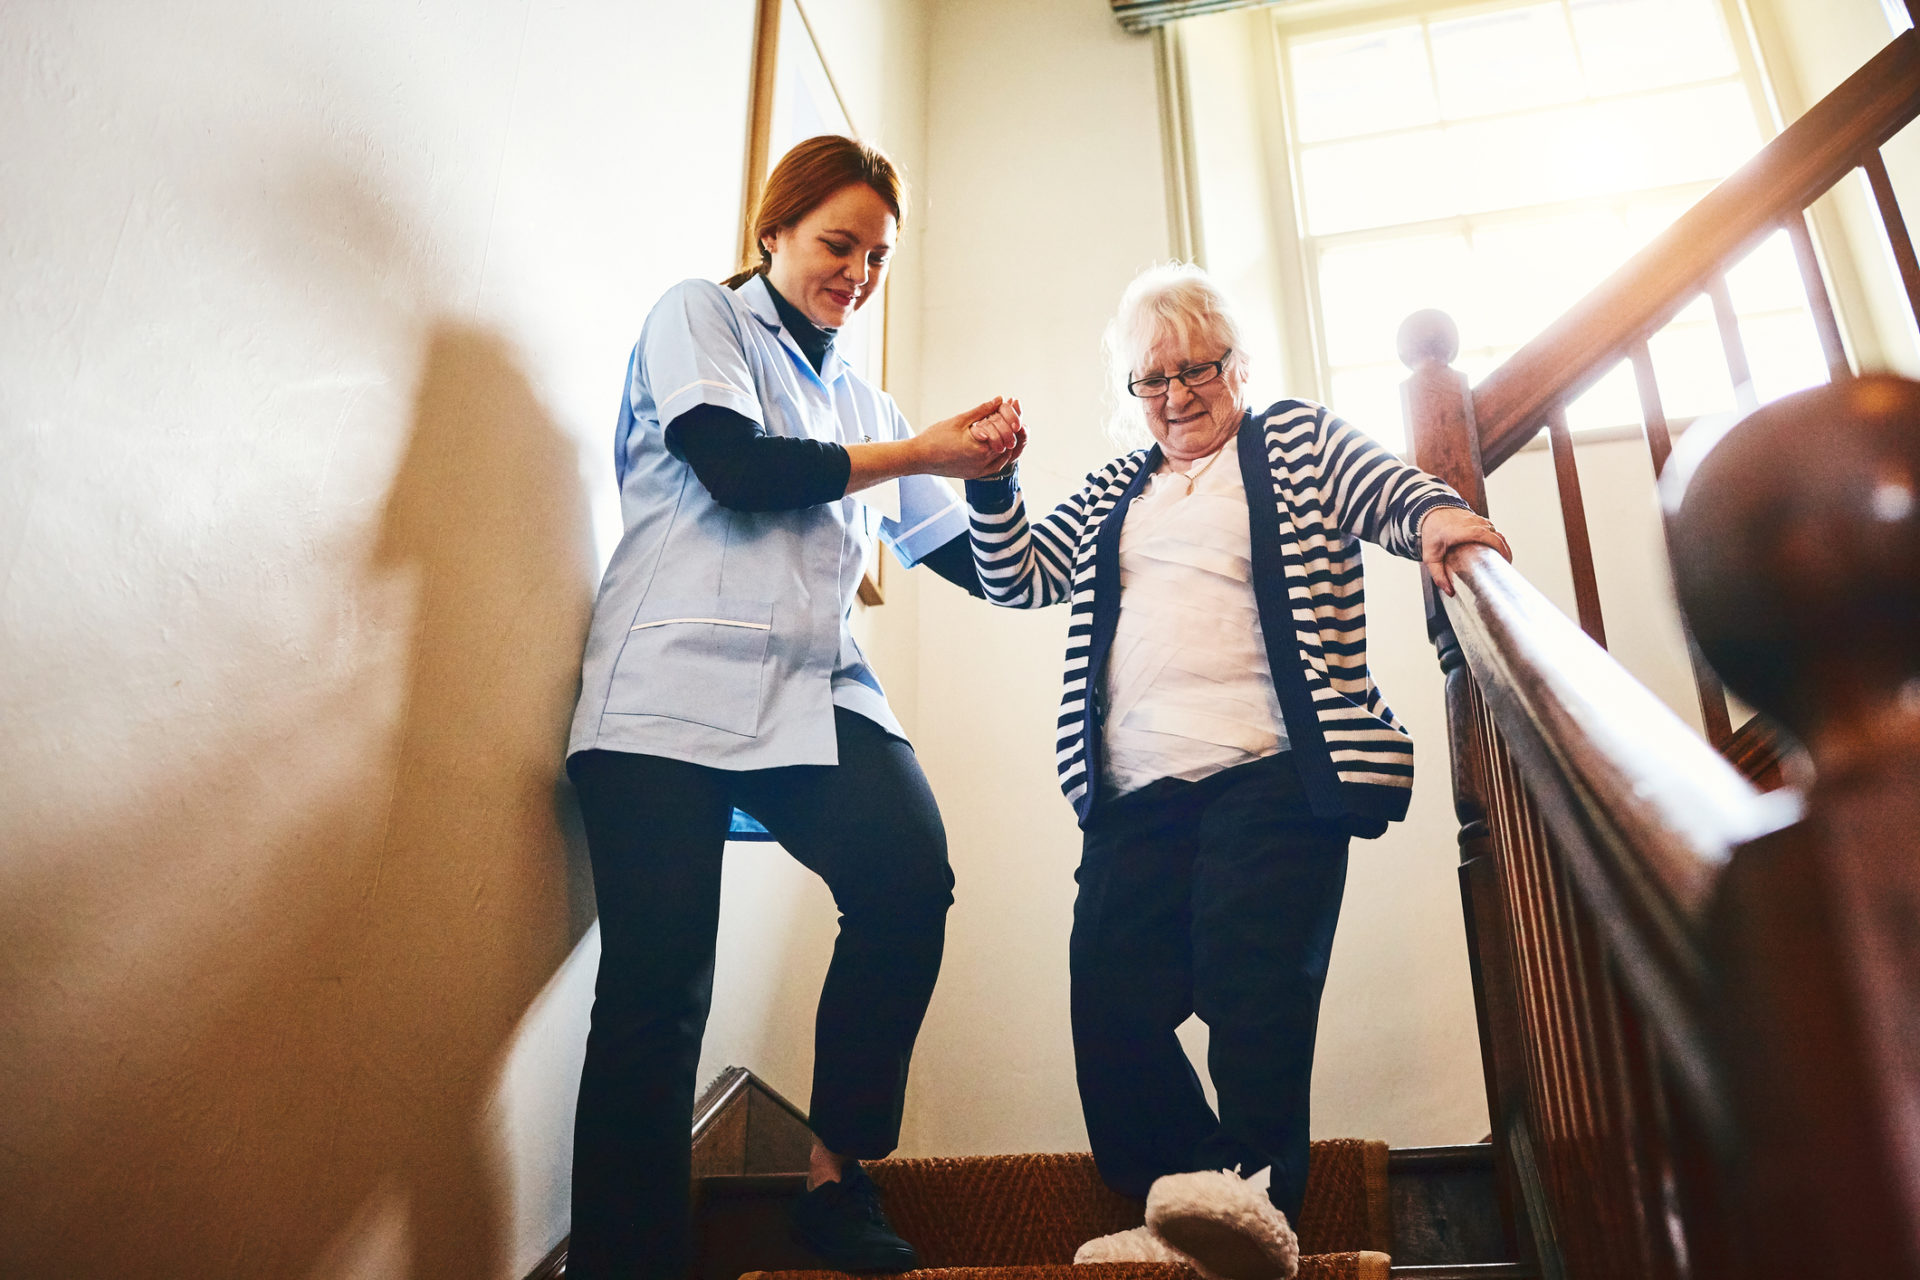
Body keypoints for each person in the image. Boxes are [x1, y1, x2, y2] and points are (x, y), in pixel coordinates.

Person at [964, 264, 1508, 1278]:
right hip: (1134, 789)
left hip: (1271, 770)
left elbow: (1382, 487)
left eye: (1195, 368)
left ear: (1238, 364)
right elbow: (1018, 574)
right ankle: (1192, 1204)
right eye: (1151, 378)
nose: (1174, 394)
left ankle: (1254, 1198)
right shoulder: (1117, 488)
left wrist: (1437, 518)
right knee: (1109, 998)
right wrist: (993, 484)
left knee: (1250, 982)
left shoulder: (1293, 437)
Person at [564, 134, 1024, 1280]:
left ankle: (834, 1179)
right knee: (657, 994)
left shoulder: (865, 394)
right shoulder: (701, 317)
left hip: (816, 686)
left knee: (909, 876)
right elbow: (735, 463)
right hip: (664, 693)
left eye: (876, 255)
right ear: (774, 230)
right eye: (837, 243)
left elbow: (970, 560)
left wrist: (996, 469)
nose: (857, 272)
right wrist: (919, 449)